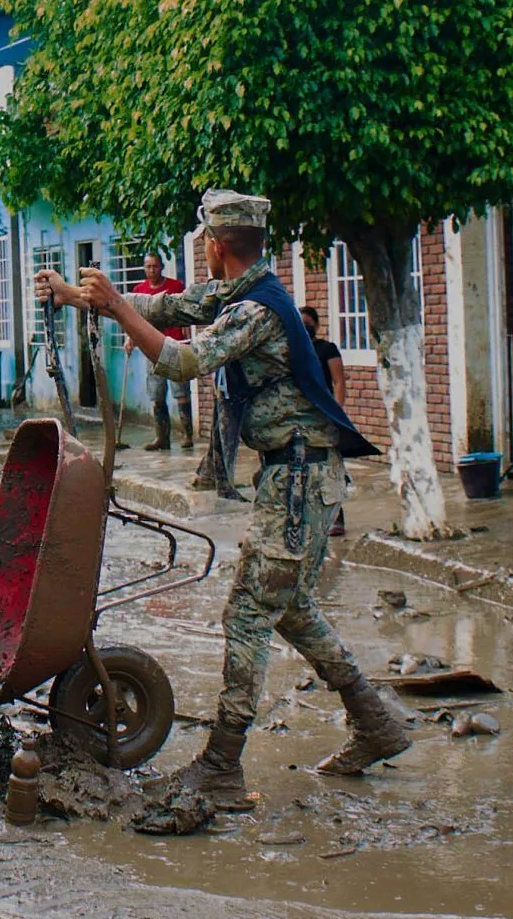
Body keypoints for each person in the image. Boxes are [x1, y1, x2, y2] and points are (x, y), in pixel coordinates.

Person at [35, 189, 406, 807]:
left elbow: (182, 360)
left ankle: (223, 766)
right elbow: (176, 305)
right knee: (288, 608)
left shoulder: (254, 311)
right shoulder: (242, 290)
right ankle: (376, 723)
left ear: (215, 245)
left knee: (248, 613)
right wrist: (87, 300)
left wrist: (120, 311)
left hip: (298, 482)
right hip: (296, 477)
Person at [131, 252, 194, 451]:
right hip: (152, 349)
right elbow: (134, 319)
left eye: (155, 266)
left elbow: (186, 313)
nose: (152, 270)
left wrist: (187, 332)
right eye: (148, 266)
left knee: (180, 392)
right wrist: (130, 339)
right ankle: (162, 438)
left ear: (161, 267)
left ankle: (187, 434)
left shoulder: (175, 287)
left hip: (175, 346)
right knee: (156, 395)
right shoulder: (139, 291)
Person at [301, 305, 350, 537]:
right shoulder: (292, 349)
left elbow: (339, 382)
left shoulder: (326, 349)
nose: (304, 328)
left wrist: (337, 413)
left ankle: (336, 518)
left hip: (324, 415)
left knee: (330, 469)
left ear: (317, 326)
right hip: (300, 418)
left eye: (308, 324)